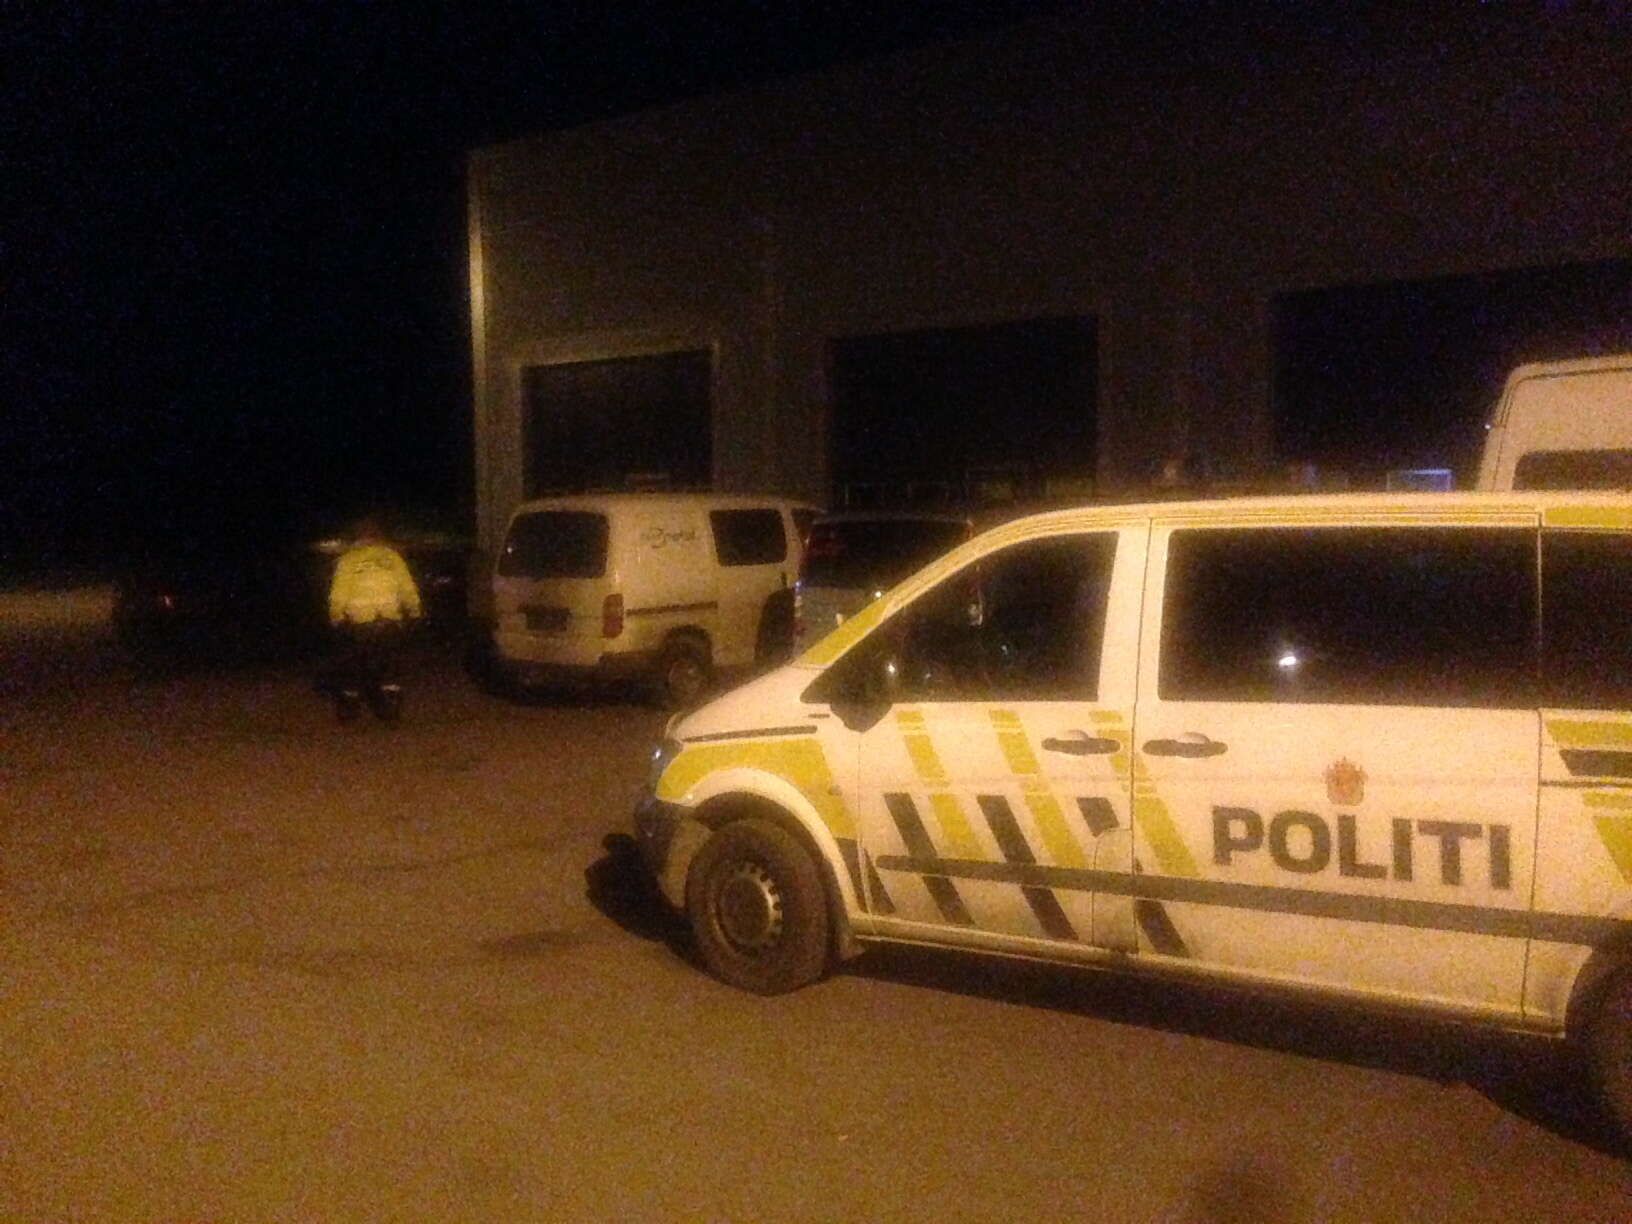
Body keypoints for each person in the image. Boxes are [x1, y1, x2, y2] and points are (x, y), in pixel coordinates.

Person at [326, 515, 422, 721]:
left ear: (356, 536)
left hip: (359, 623)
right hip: (389, 620)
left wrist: (336, 616)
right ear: (379, 536)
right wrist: (414, 612)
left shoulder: (348, 560)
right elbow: (407, 588)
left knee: (354, 664)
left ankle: (350, 706)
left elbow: (339, 592)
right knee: (389, 663)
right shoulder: (393, 558)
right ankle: (391, 703)